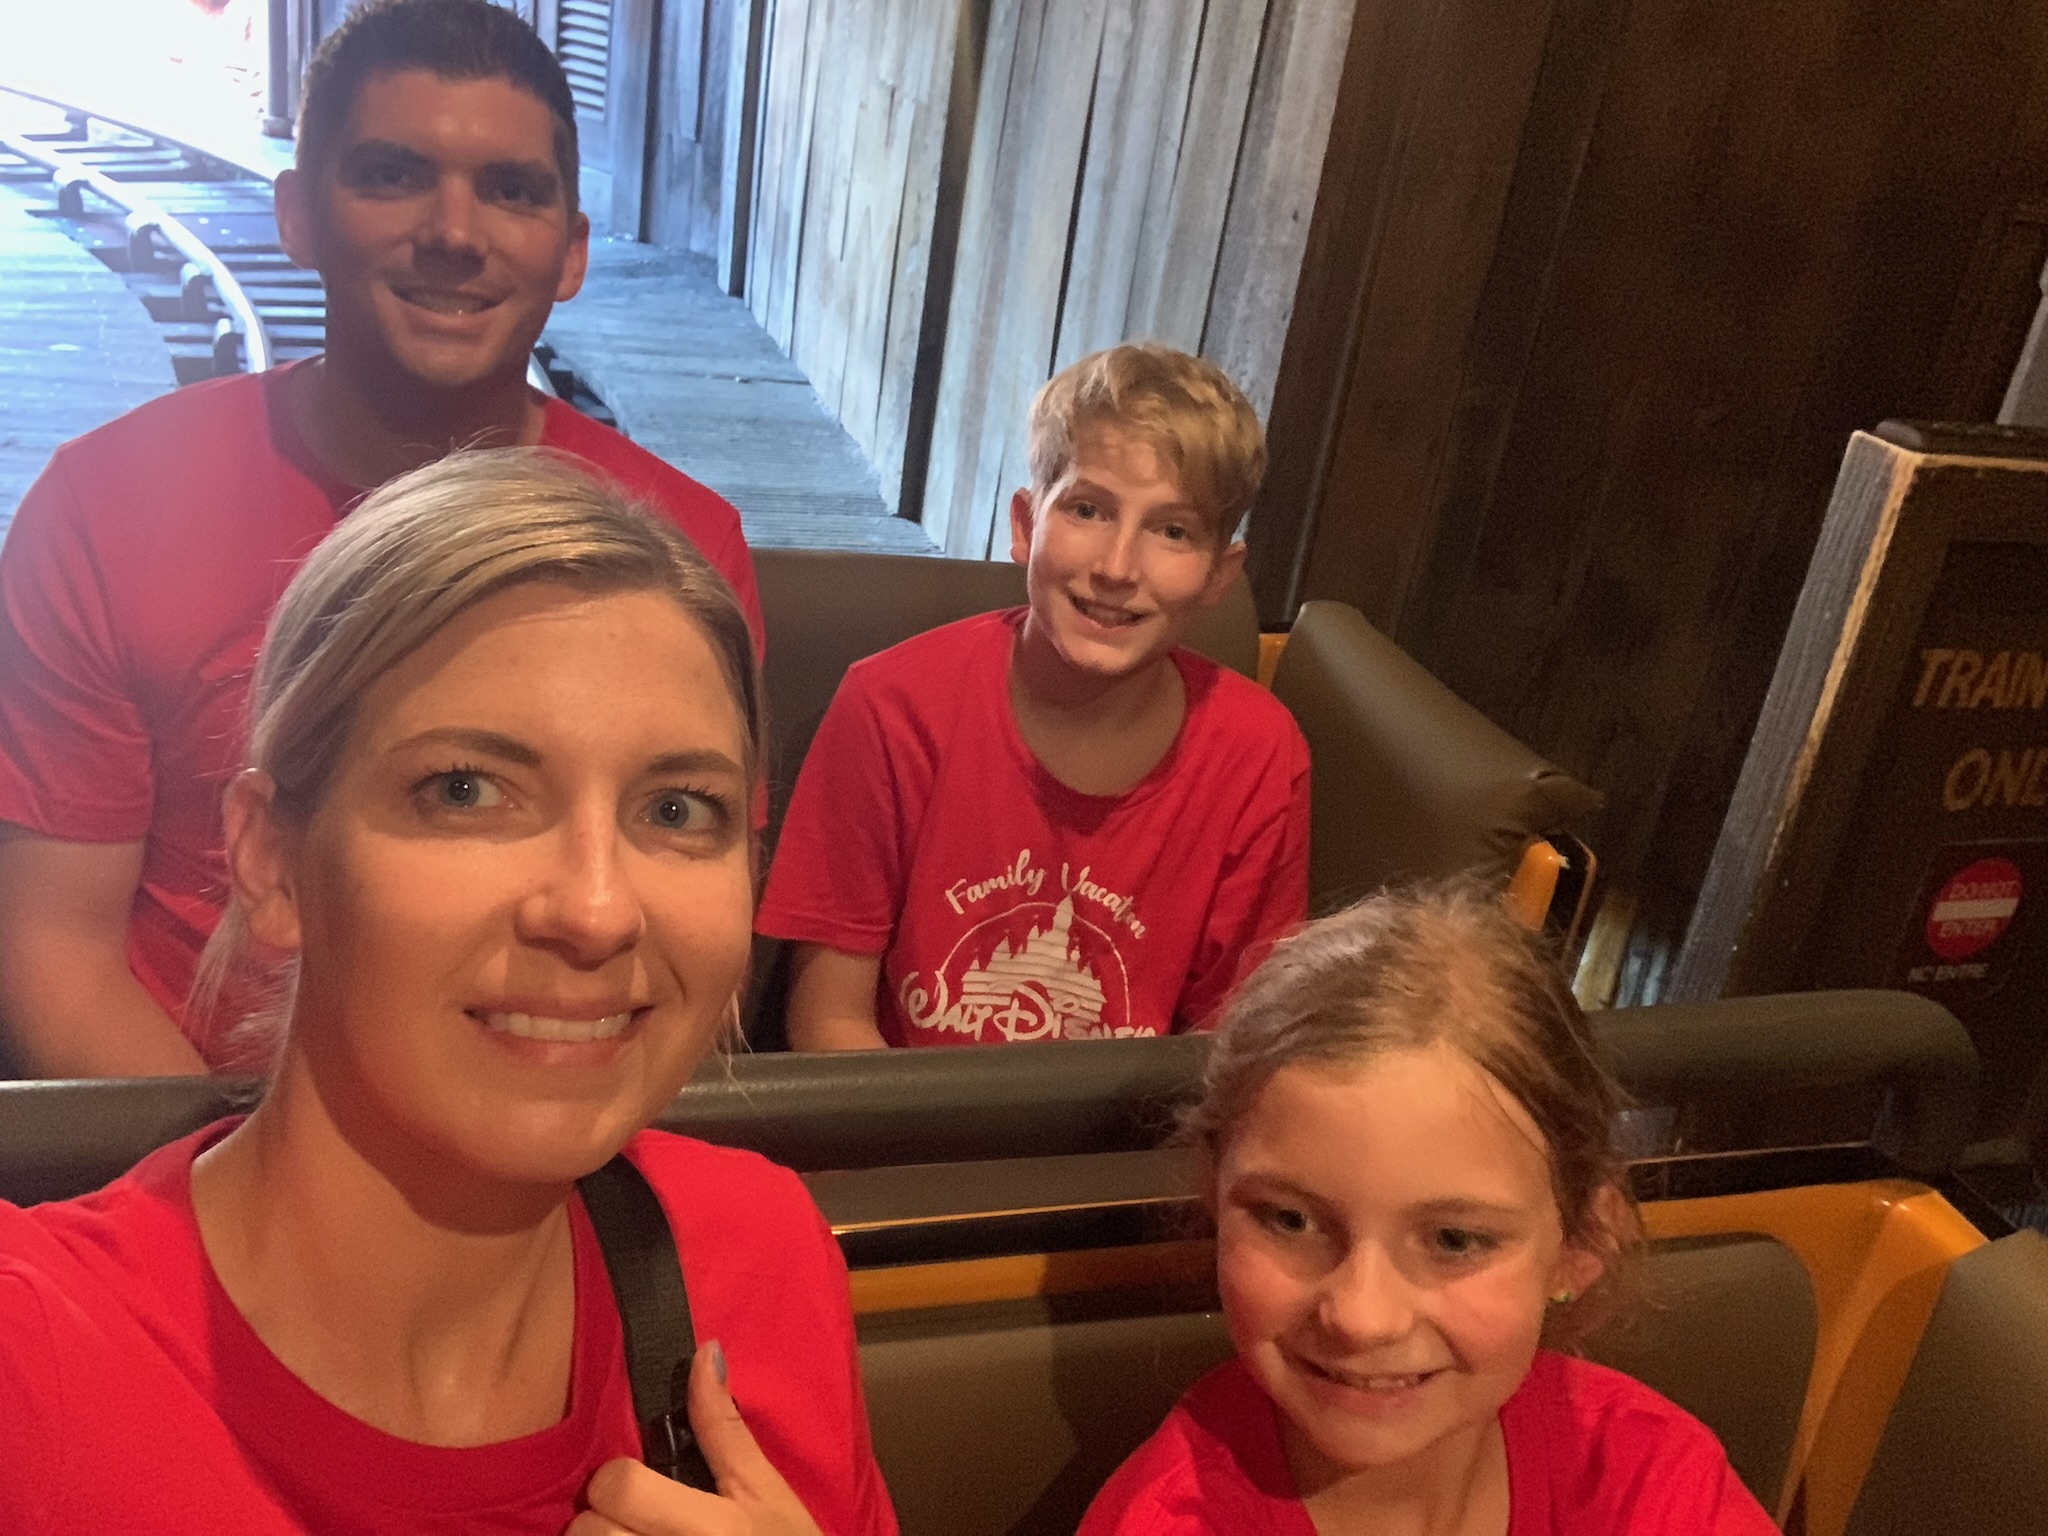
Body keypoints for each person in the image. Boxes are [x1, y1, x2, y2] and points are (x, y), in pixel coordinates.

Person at [0, 451, 893, 1535]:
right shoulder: (33, 1370)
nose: (597, 909)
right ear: (271, 861)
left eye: (676, 810)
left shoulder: (757, 1256)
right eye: (465, 790)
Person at [0, 0, 762, 1078]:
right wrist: (257, 1172)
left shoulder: (685, 543)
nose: (454, 233)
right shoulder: (105, 507)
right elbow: (56, 954)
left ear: (571, 251)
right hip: (197, 1127)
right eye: (393, 175)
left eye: (511, 190)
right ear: (298, 216)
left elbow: (683, 913)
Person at [1079, 884, 1778, 1535]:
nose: (1362, 1317)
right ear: (1214, 1195)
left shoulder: (1647, 1475)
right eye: (1290, 1220)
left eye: (1453, 1240)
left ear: (1581, 1245)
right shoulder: (1171, 1520)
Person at [756, 343, 1309, 1049]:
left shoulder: (1259, 754)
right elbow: (830, 1018)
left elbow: (1233, 1044)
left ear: (1219, 575)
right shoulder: (891, 706)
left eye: (1173, 531)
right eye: (1087, 509)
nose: (1118, 567)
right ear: (1025, 525)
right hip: (903, 1115)